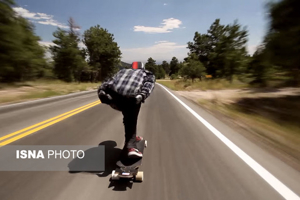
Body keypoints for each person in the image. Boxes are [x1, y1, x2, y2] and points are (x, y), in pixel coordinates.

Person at [97, 61, 155, 158]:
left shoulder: (122, 71)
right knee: (131, 118)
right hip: (130, 99)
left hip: (113, 97)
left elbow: (109, 81)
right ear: (142, 68)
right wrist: (142, 95)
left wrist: (102, 90)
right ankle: (130, 147)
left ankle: (132, 137)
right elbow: (149, 85)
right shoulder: (147, 73)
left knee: (127, 116)